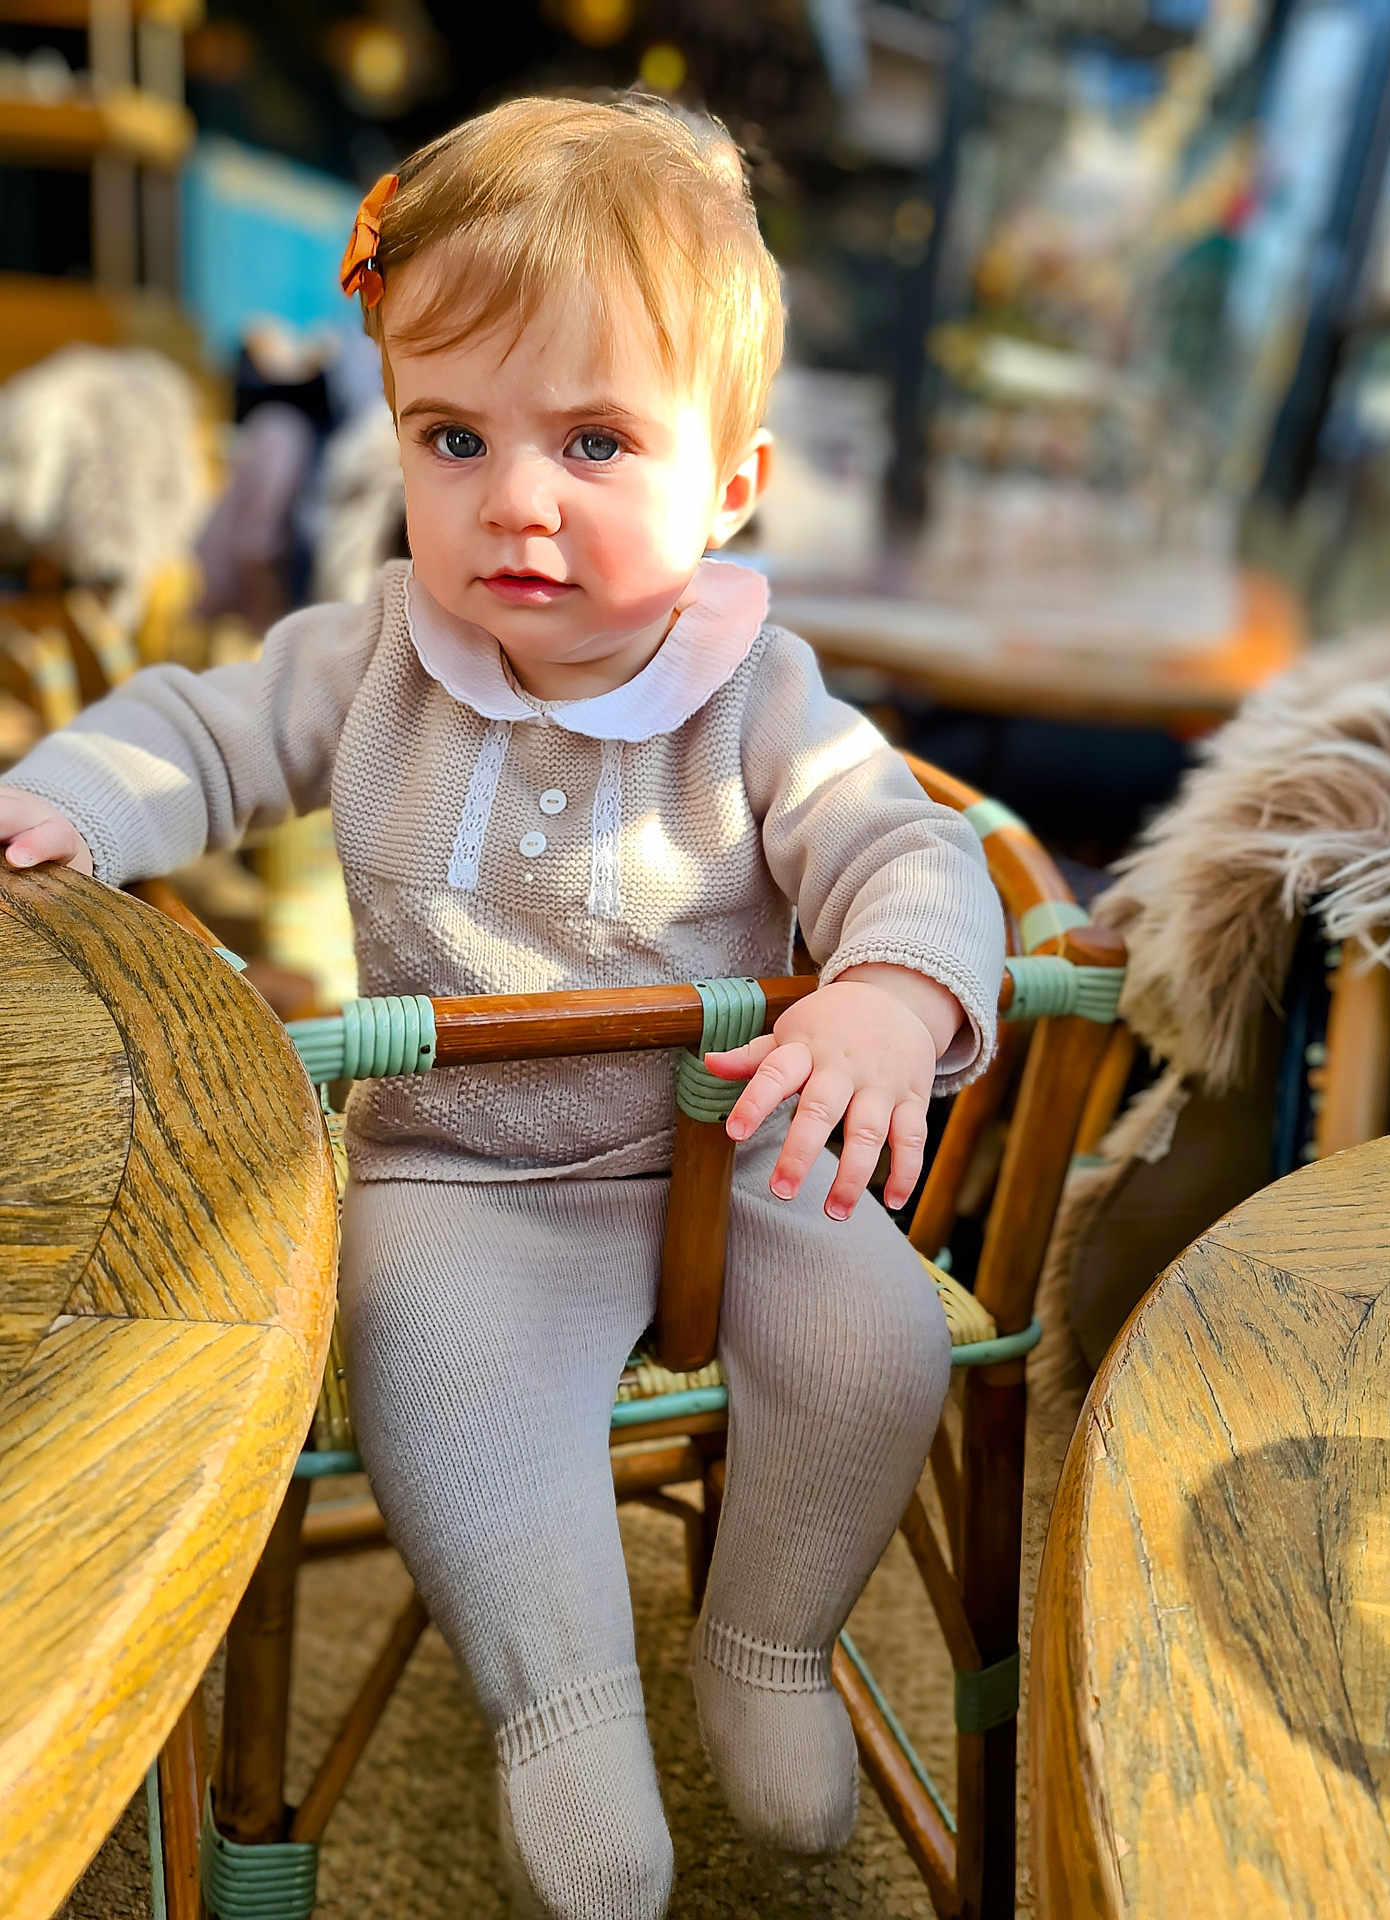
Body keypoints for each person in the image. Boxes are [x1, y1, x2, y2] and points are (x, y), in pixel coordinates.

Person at [0, 95, 1004, 1918]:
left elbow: (902, 851)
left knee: (882, 1344)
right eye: (454, 436)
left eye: (597, 441)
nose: (513, 502)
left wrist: (881, 997)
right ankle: (565, 1710)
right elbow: (202, 730)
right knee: (437, 1383)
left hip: (739, 1142)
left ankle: (770, 1639)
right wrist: (81, 793)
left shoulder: (758, 693)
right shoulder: (373, 650)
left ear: (729, 485)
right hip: (462, 1171)